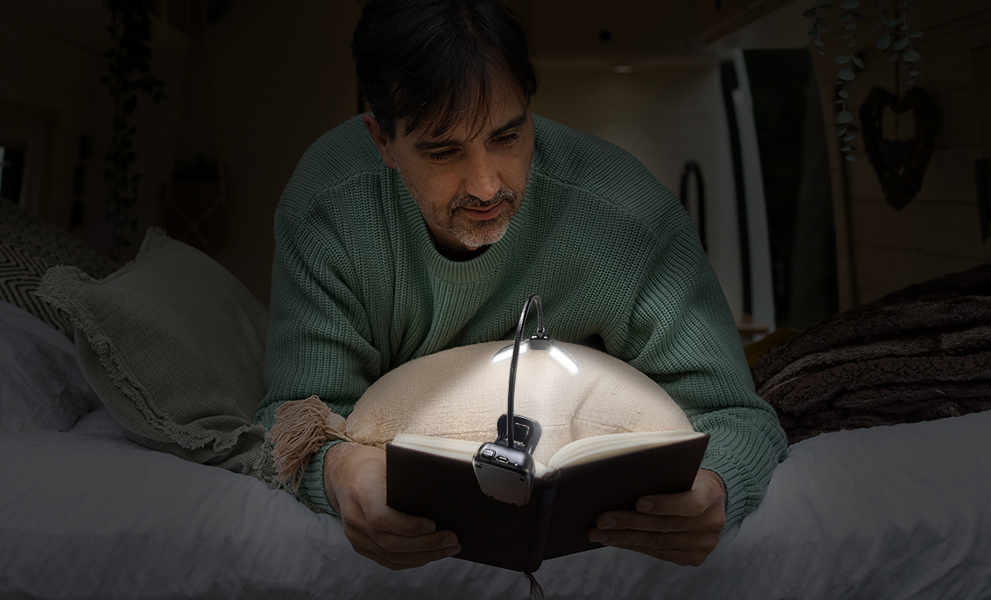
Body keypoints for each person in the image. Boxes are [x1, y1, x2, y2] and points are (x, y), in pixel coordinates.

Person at [252, 0, 787, 571]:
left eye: (508, 137)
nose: (486, 186)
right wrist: (340, 473)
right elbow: (293, 417)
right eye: (443, 150)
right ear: (381, 140)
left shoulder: (629, 215)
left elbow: (738, 414)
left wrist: (718, 488)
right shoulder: (328, 208)